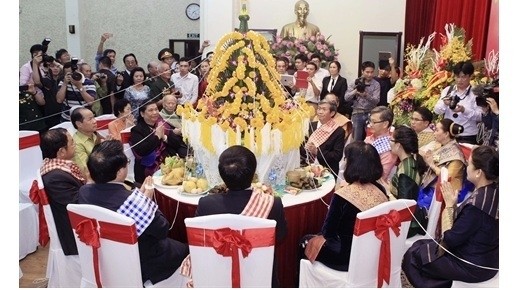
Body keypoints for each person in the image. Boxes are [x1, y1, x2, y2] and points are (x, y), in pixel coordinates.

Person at [79, 140, 189, 285]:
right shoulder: (134, 202)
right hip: (145, 262)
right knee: (186, 248)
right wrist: (146, 201)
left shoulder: (83, 192)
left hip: (106, 256)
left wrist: (139, 198)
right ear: (119, 172)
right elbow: (162, 229)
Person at [402, 145, 498, 287]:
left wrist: (449, 206)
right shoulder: (494, 190)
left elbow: (450, 240)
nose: (466, 166)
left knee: (414, 255)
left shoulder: (476, 207)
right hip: (488, 257)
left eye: (469, 163)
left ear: (478, 172)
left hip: (472, 265)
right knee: (421, 244)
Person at [196, 145, 287, 287]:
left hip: (219, 275)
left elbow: (202, 242)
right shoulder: (272, 203)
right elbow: (280, 236)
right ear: (254, 171)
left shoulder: (206, 204)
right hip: (261, 275)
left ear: (221, 174)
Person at [300, 141, 387, 271]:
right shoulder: (380, 189)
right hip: (372, 252)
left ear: (352, 164)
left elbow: (327, 232)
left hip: (344, 257)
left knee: (305, 240)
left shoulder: (343, 195)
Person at [39, 128, 85, 256]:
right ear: (61, 151)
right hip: (73, 230)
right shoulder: (55, 177)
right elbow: (77, 203)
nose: (75, 145)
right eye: (72, 143)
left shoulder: (58, 166)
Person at [130, 99, 187, 183]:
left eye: (156, 109)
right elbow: (141, 150)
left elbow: (177, 143)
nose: (155, 112)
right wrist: (157, 136)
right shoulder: (137, 130)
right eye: (150, 110)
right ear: (142, 114)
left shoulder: (162, 124)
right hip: (146, 169)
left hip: (166, 165)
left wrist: (164, 137)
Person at [388, 126, 428, 237]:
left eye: (391, 140)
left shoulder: (406, 172)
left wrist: (388, 192)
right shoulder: (409, 161)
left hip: (407, 226)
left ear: (398, 145)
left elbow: (404, 205)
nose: (389, 142)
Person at [419, 119, 466, 209]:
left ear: (446, 134)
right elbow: (437, 161)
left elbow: (447, 177)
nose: (434, 133)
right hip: (433, 186)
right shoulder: (442, 146)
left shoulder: (456, 156)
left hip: (446, 192)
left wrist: (432, 165)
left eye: (437, 130)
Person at [433, 61, 482, 145]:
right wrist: (445, 104)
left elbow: (480, 116)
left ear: (470, 76)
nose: (460, 80)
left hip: (467, 137)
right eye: (457, 77)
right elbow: (437, 111)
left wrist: (464, 110)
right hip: (448, 137)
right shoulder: (448, 90)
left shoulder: (476, 93)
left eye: (463, 77)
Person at [300, 100, 345, 178]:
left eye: (324, 109)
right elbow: (301, 146)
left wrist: (317, 152)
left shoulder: (338, 131)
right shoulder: (310, 125)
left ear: (332, 113)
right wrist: (306, 149)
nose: (320, 112)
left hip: (327, 170)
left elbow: (337, 155)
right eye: (319, 109)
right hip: (307, 168)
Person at [344, 61, 380, 142]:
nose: (370, 74)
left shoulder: (376, 84)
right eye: (367, 72)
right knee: (357, 139)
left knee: (371, 139)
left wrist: (366, 95)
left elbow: (376, 100)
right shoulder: (355, 82)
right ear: (362, 71)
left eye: (371, 72)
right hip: (357, 113)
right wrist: (355, 91)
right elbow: (346, 97)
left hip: (371, 114)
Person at [71, 106, 107, 177]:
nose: (95, 121)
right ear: (79, 124)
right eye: (90, 119)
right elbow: (85, 171)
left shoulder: (95, 134)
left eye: (94, 117)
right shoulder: (77, 144)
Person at [365, 106, 396, 181]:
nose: (370, 125)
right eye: (370, 121)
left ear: (385, 124)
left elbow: (380, 177)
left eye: (374, 122)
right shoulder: (369, 139)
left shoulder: (388, 148)